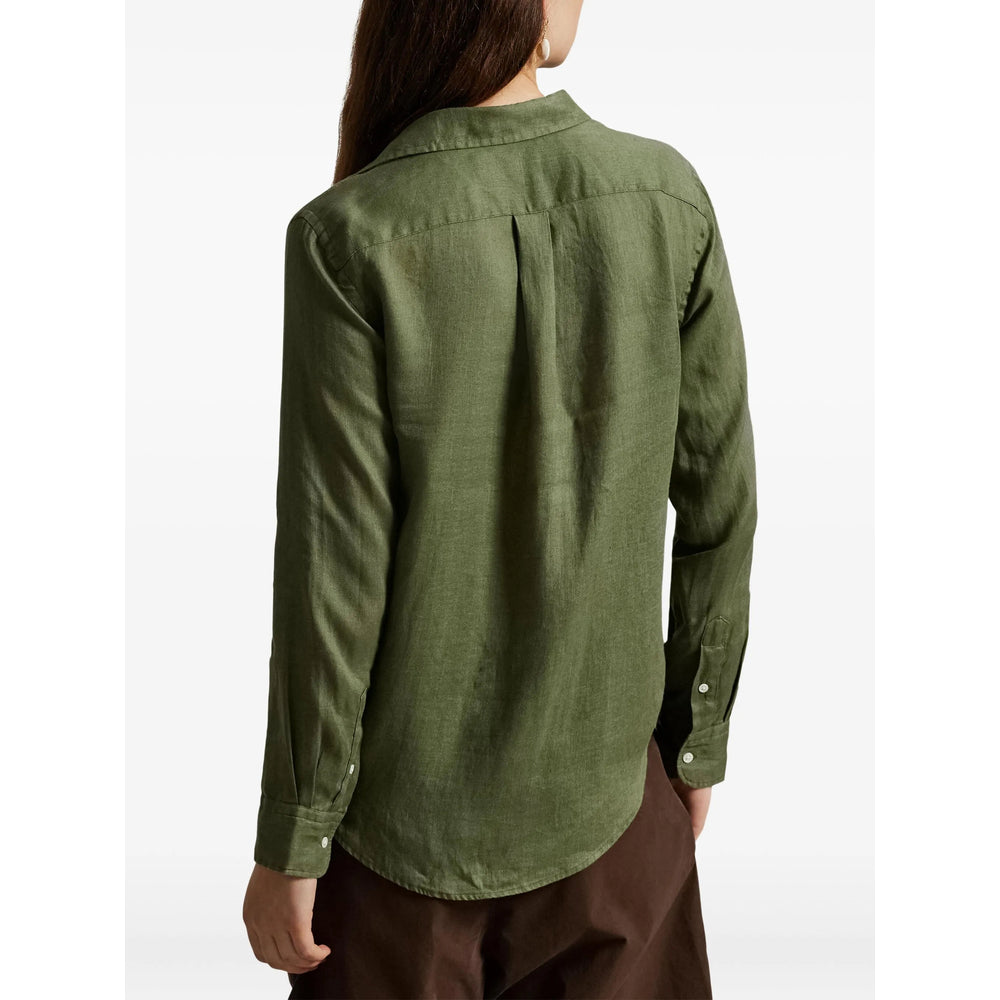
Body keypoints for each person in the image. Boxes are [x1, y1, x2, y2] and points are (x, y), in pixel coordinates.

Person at [242, 0, 757, 996]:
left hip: (397, 864)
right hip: (620, 831)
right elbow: (721, 508)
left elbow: (333, 578)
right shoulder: (667, 199)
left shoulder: (351, 235)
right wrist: (695, 745)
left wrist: (295, 838)